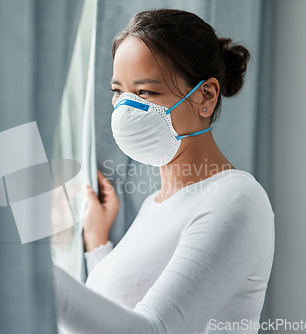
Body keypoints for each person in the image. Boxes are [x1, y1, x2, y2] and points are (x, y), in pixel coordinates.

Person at [53, 9, 275, 334]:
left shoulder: (237, 199)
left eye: (145, 92)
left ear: (206, 96)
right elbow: (126, 303)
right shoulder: (152, 205)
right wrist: (98, 245)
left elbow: (154, 329)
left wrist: (34, 271)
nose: (125, 110)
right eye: (118, 91)